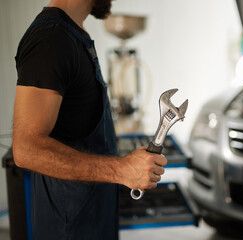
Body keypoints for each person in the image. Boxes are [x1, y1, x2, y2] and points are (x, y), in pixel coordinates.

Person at [12, 0, 167, 239]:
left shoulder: (75, 34)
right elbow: (26, 149)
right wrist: (121, 170)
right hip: (68, 228)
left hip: (94, 220)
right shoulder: (50, 40)